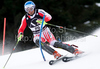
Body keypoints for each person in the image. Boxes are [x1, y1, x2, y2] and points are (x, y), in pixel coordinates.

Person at [18, 1, 83, 59]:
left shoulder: (39, 12)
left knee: (54, 43)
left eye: (31, 8)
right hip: (37, 34)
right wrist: (20, 34)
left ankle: (74, 50)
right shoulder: (25, 18)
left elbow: (49, 17)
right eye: (27, 9)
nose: (29, 11)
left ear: (34, 7)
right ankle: (55, 54)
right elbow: (21, 28)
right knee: (38, 42)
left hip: (45, 31)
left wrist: (43, 20)